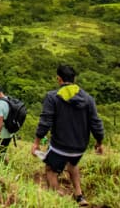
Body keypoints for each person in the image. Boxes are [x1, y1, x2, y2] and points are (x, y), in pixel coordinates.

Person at [31, 65, 105, 207]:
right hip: (80, 147)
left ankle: (57, 200)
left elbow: (45, 121)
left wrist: (36, 142)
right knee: (73, 164)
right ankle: (79, 196)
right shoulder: (88, 98)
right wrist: (99, 143)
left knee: (51, 170)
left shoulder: (52, 97)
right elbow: (96, 123)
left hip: (60, 146)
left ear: (59, 79)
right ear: (74, 79)